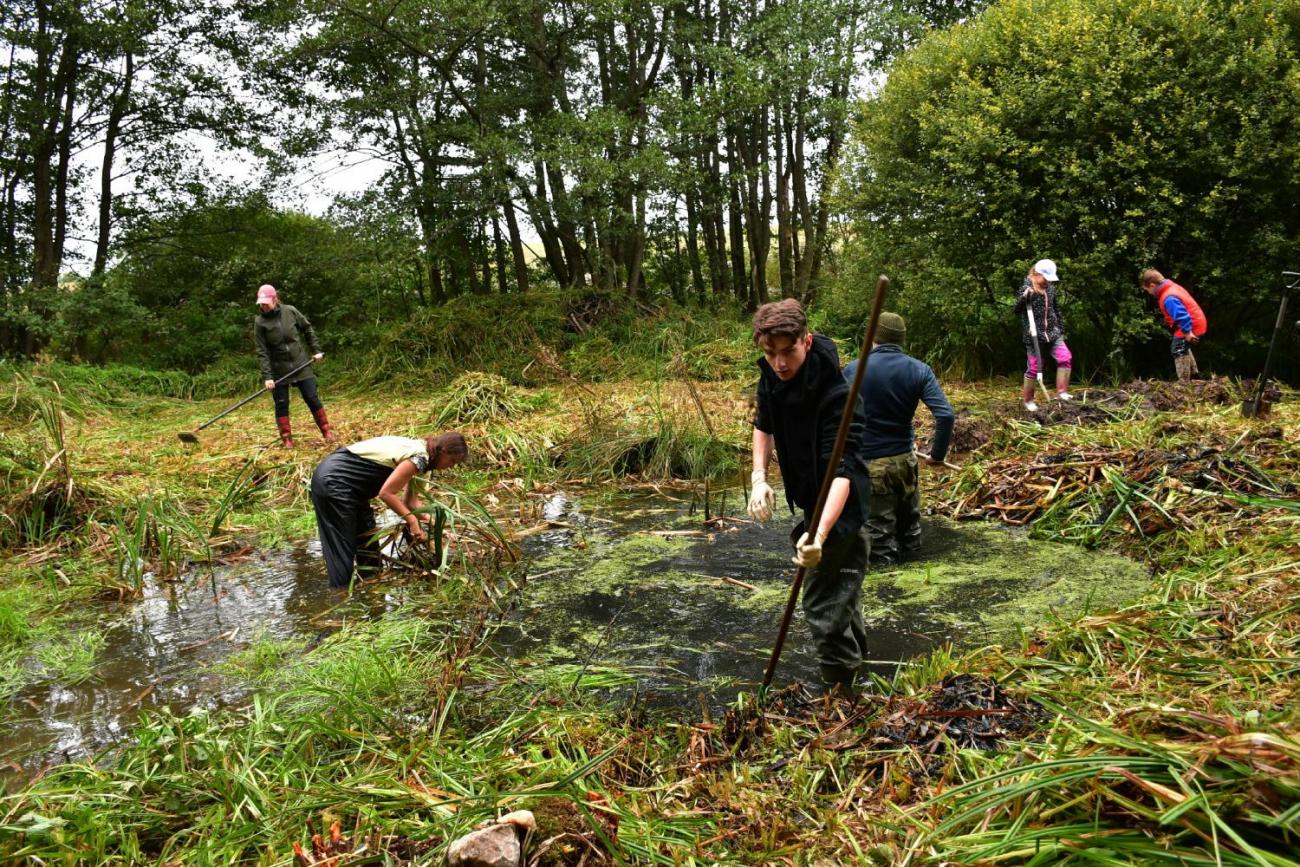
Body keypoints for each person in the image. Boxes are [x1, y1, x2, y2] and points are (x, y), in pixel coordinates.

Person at [746, 299, 871, 694]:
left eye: (788, 352)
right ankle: (859, 679)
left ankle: (843, 695)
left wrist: (818, 535)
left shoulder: (839, 394)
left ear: (807, 339)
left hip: (841, 509)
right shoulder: (771, 374)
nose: (779, 364)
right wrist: (758, 477)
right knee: (841, 598)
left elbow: (843, 471)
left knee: (822, 607)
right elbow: (764, 423)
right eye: (770, 354)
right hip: (808, 500)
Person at [842, 312, 955, 567]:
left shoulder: (853, 371)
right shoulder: (919, 369)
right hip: (906, 462)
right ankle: (919, 584)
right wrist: (937, 455)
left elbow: (834, 416)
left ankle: (889, 596)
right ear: (901, 339)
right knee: (910, 532)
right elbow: (946, 415)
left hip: (872, 466)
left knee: (880, 540)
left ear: (874, 337)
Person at [310, 433, 468, 590]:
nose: (451, 466)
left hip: (354, 490)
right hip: (334, 480)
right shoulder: (420, 457)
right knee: (342, 547)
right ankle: (339, 598)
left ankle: (370, 589)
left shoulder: (425, 465)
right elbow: (386, 493)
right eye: (452, 461)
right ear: (444, 451)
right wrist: (412, 521)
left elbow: (411, 504)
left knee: (368, 541)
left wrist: (438, 527)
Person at [253, 283, 334, 447]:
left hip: (300, 363)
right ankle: (287, 439)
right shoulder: (260, 322)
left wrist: (316, 350)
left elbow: (307, 329)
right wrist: (268, 377)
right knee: (281, 403)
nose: (263, 306)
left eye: (266, 302)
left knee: (312, 397)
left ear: (275, 299)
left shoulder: (290, 311)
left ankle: (326, 431)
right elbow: (262, 351)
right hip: (279, 370)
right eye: (261, 303)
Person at [1014, 259, 1074, 411]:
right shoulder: (1026, 288)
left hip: (1053, 332)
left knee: (1065, 357)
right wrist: (1024, 298)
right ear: (1037, 274)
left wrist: (1061, 328)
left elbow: (1056, 309)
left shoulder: (1051, 289)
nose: (1047, 281)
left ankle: (1062, 392)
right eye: (1045, 277)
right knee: (1035, 367)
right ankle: (1028, 401)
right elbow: (1016, 309)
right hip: (1034, 334)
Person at [1140, 269, 1207, 383]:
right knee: (1183, 347)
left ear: (1152, 285)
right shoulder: (1171, 287)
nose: (1149, 293)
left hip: (1190, 325)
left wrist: (1187, 332)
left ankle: (1184, 382)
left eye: (1147, 290)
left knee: (1178, 349)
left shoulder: (1168, 297)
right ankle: (1195, 377)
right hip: (1195, 322)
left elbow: (1182, 316)